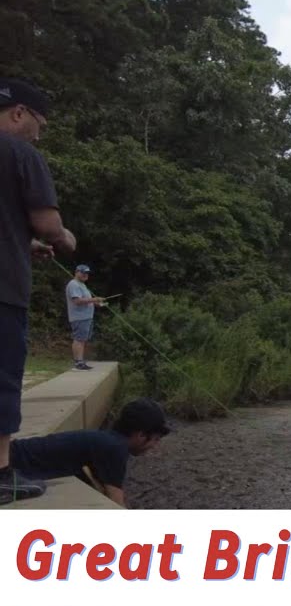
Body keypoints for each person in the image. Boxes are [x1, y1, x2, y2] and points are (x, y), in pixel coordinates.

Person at [0, 77, 76, 490]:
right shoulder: (19, 152)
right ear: (19, 113)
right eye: (39, 125)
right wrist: (64, 239)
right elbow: (49, 225)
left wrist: (22, 243)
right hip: (3, 292)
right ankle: (1, 475)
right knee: (3, 379)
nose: (39, 135)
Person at [3, 398, 172, 508]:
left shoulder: (105, 440)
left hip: (11, 454)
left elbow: (100, 483)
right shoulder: (116, 448)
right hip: (13, 464)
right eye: (155, 439)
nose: (154, 446)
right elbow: (116, 502)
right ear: (141, 434)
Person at [66, 263, 105, 370]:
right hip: (79, 317)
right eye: (83, 272)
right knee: (78, 339)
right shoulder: (74, 284)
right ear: (77, 272)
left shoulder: (82, 285)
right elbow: (77, 301)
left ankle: (80, 361)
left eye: (87, 273)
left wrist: (97, 303)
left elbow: (86, 301)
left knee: (82, 339)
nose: (86, 275)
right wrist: (94, 299)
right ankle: (78, 362)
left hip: (86, 317)